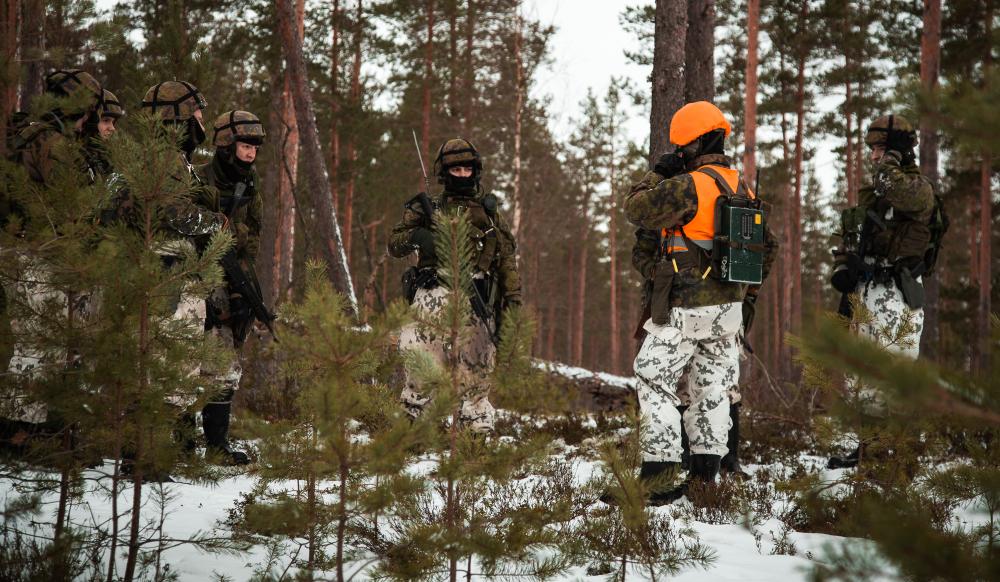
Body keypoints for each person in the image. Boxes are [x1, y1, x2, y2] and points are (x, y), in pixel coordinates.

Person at [622, 101, 777, 504]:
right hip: (728, 310)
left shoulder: (690, 185)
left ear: (691, 144)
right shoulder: (741, 185)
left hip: (685, 306)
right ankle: (705, 478)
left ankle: (659, 476)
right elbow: (768, 248)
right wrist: (748, 298)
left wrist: (657, 172)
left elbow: (634, 208)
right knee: (712, 389)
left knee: (654, 378)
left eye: (681, 146)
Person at [387, 138, 521, 434]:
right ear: (445, 172)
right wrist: (419, 237)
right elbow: (394, 244)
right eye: (456, 169)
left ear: (476, 171)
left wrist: (513, 301)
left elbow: (507, 260)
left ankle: (474, 449)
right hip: (430, 299)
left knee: (475, 379)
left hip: (476, 301)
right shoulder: (427, 208)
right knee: (419, 375)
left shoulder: (489, 214)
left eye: (467, 169)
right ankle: (409, 443)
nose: (462, 174)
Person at [827, 114, 938, 469]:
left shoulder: (918, 189)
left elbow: (895, 187)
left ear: (899, 151)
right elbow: (848, 235)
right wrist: (843, 268)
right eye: (873, 150)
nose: (874, 156)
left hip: (899, 293)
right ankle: (871, 450)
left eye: (880, 149)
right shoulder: (871, 193)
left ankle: (903, 453)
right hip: (867, 290)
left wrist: (892, 161)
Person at [193, 110, 268, 465]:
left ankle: (216, 442)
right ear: (226, 144)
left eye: (255, 146)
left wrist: (242, 287)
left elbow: (253, 235)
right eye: (244, 144)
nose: (251, 152)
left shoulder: (252, 183)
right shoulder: (200, 177)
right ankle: (176, 438)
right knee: (185, 360)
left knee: (225, 358)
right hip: (194, 276)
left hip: (233, 274)